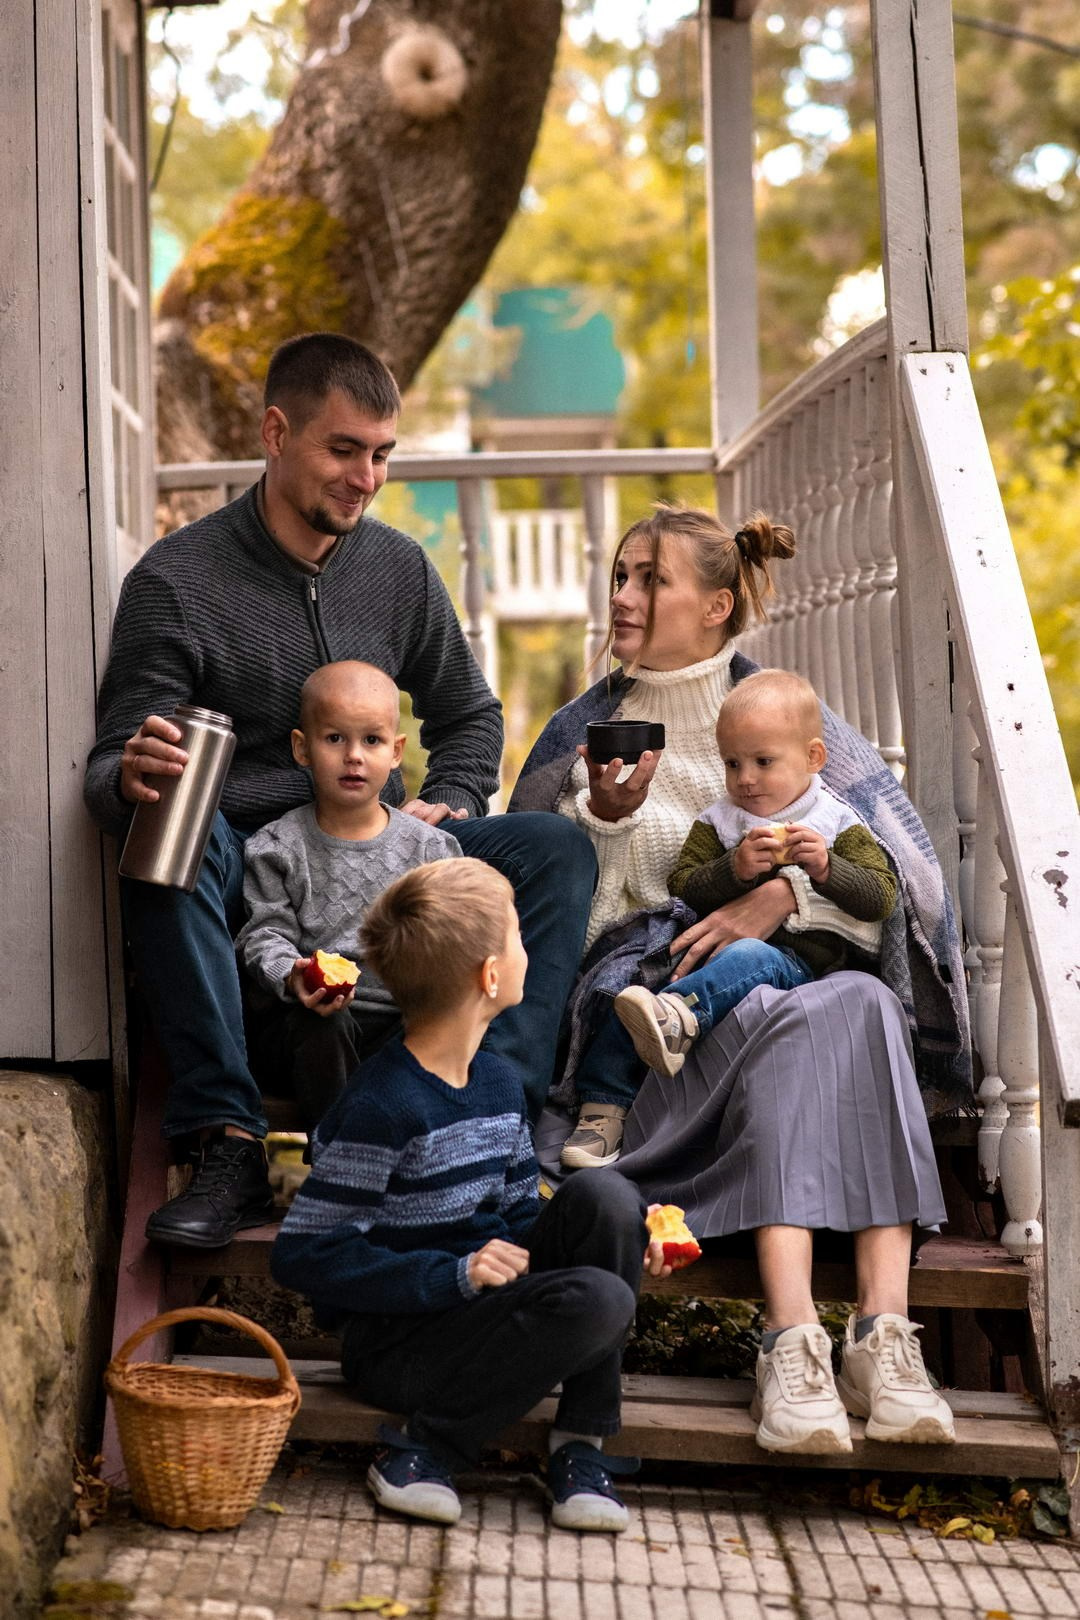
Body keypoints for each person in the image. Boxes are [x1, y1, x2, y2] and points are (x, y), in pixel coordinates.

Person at [83, 332, 596, 1249]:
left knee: (553, 847)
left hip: (394, 855)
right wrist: (131, 774)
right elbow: (109, 768)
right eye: (344, 449)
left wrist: (459, 802)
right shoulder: (176, 583)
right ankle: (229, 1135)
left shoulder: (398, 569)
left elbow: (470, 716)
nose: (367, 477)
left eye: (383, 454)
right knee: (171, 827)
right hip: (261, 876)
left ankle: (496, 1109)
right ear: (277, 433)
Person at [510, 503, 967, 1454]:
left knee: (863, 996)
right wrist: (602, 823)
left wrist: (788, 903)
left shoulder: (796, 721)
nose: (623, 595)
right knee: (819, 1007)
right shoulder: (580, 733)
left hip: (787, 1009)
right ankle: (794, 1335)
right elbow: (557, 937)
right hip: (661, 1040)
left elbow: (904, 889)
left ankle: (879, 1337)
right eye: (621, 575)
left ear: (717, 606)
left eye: (650, 579)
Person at [272, 859, 671, 1531]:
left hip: (484, 1316)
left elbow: (518, 1217)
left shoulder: (496, 1083)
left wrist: (632, 1227)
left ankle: (581, 1445)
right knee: (603, 1298)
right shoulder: (385, 1106)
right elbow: (304, 1254)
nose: (527, 951)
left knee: (607, 1196)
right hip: (401, 1346)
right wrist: (449, 1274)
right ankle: (425, 1450)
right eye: (517, 937)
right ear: (491, 976)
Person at [608, 667, 896, 1101]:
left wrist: (826, 867)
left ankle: (679, 1015)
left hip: (801, 964)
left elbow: (880, 897)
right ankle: (603, 1100)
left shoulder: (834, 820)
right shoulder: (721, 820)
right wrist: (734, 868)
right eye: (732, 763)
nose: (745, 778)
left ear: (813, 758)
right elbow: (684, 883)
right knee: (628, 973)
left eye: (763, 762)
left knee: (751, 954)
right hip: (717, 949)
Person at [236, 660, 462, 1132]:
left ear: (397, 751)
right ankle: (340, 1163)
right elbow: (263, 936)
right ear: (302, 748)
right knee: (323, 1025)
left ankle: (429, 1162)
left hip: (400, 1022)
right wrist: (291, 973)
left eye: (372, 740)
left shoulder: (430, 848)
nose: (354, 755)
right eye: (335, 738)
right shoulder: (277, 847)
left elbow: (452, 938)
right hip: (311, 1021)